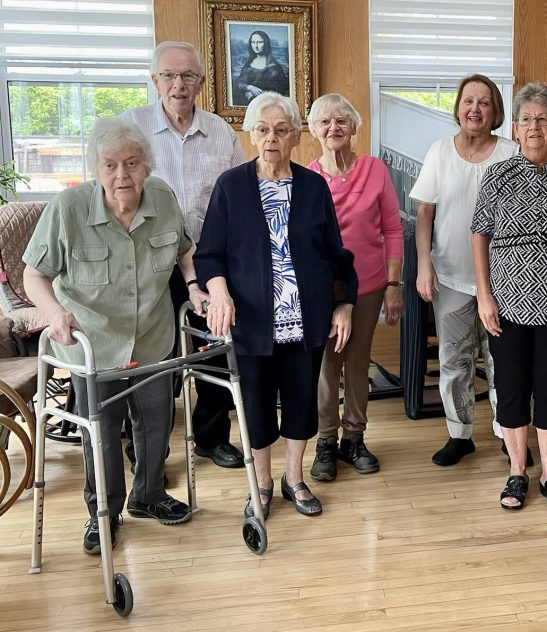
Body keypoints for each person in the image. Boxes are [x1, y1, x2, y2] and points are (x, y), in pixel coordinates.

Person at [22, 118, 204, 553]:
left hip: (152, 340)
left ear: (147, 165)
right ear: (96, 169)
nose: (122, 175)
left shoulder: (162, 197)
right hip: (95, 346)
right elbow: (34, 275)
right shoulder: (68, 209)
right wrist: (55, 313)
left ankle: (149, 495)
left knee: (156, 425)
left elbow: (185, 250)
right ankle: (102, 512)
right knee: (101, 434)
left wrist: (195, 285)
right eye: (110, 165)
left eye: (132, 163)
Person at [195, 92, 358, 519]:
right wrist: (220, 292)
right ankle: (262, 483)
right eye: (263, 130)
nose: (272, 138)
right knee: (256, 405)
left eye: (282, 130)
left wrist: (344, 303)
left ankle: (294, 478)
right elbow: (209, 254)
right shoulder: (231, 186)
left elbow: (335, 254)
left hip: (306, 319)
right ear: (251, 135)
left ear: (296, 137)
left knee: (302, 401)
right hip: (252, 320)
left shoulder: (313, 186)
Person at [122, 40, 247, 470]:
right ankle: (146, 448)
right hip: (148, 263)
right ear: (154, 81)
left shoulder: (220, 132)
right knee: (152, 358)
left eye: (188, 76)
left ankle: (211, 438)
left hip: (208, 262)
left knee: (215, 346)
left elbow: (239, 197)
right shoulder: (131, 127)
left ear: (201, 82)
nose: (179, 84)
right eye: (170, 76)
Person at [472, 82, 547, 512]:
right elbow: (480, 235)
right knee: (511, 388)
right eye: (526, 119)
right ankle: (517, 471)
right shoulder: (498, 176)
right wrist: (484, 295)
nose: (534, 127)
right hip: (506, 304)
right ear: (515, 128)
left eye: (543, 118)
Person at [409, 74, 519, 467]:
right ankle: (460, 435)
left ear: (495, 112)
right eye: (468, 101)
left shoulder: (511, 152)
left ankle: (509, 433)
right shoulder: (440, 151)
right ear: (457, 108)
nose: (475, 109)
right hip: (451, 276)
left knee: (503, 361)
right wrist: (424, 265)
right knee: (455, 360)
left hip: (504, 281)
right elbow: (425, 212)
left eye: (484, 102)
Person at [306, 93, 403, 481]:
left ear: (354, 127)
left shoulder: (375, 170)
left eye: (341, 121)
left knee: (359, 361)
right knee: (327, 365)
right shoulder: (308, 178)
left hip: (369, 284)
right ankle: (325, 440)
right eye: (325, 122)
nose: (334, 128)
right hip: (324, 289)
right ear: (313, 130)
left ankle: (354, 438)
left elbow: (393, 230)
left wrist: (394, 284)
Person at [233, 30, 288, 104]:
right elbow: (238, 82)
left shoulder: (275, 68)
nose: (256, 46)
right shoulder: (249, 63)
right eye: (253, 42)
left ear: (266, 43)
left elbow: (278, 92)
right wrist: (249, 87)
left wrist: (252, 96)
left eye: (260, 42)